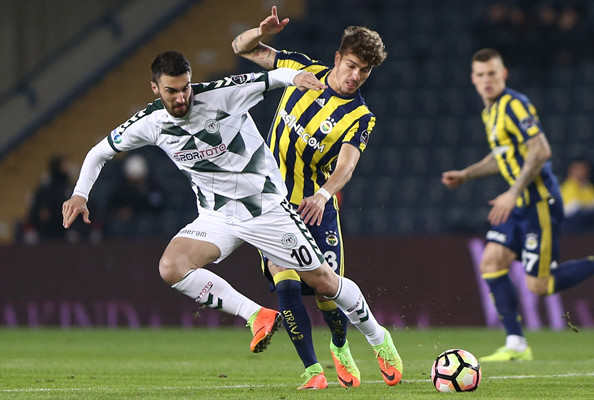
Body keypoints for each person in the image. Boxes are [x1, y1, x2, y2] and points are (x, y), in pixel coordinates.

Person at [62, 50, 402, 383]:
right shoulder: (150, 123)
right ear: (155, 88)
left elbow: (270, 78)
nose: (181, 98)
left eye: (185, 88)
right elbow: (99, 152)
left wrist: (296, 77)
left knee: (324, 282)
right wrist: (80, 194)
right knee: (172, 266)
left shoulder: (221, 95)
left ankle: (378, 338)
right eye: (171, 91)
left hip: (265, 209)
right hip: (218, 215)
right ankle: (256, 315)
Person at [232, 6, 391, 389]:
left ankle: (340, 346)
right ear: (337, 58)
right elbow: (240, 47)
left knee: (326, 291)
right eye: (351, 65)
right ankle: (312, 370)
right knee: (285, 282)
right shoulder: (301, 70)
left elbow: (347, 166)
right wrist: (260, 32)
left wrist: (322, 195)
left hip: (317, 207)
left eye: (365, 71)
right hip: (270, 205)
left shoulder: (360, 116)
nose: (356, 76)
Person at [441, 48, 594, 362]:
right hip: (519, 204)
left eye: (492, 73)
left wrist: (513, 192)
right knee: (491, 261)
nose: (487, 79)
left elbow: (541, 150)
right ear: (473, 79)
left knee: (540, 285)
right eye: (481, 74)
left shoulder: (515, 104)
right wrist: (467, 174)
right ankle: (515, 343)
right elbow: (501, 156)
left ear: (503, 74)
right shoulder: (490, 113)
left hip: (539, 202)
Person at [560, 158, 594, 232]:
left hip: (589, 226)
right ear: (571, 170)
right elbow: (570, 209)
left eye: (584, 169)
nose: (582, 172)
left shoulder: (588, 186)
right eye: (578, 169)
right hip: (571, 228)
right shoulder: (568, 187)